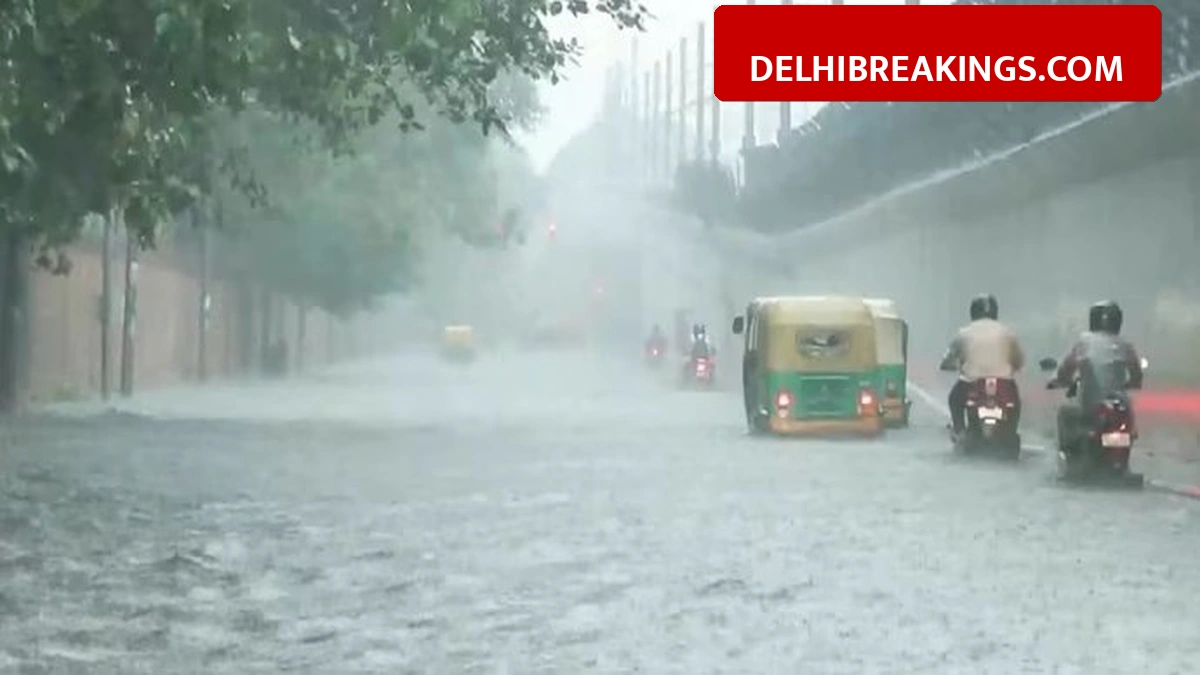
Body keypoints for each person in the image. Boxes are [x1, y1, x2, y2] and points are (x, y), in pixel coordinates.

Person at [1050, 300, 1144, 451]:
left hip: (1090, 407)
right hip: (1118, 407)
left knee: (1065, 413)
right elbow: (1136, 375)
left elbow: (1066, 368)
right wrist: (1131, 384)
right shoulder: (1125, 345)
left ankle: (1067, 455)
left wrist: (1060, 380)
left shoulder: (1084, 342)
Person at [940, 294, 1026, 438]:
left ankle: (959, 431)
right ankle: (1011, 432)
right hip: (1004, 383)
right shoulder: (1008, 332)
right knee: (1015, 403)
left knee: (954, 399)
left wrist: (949, 365)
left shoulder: (964, 333)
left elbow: (949, 357)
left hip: (972, 381)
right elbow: (1019, 360)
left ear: (973, 312)